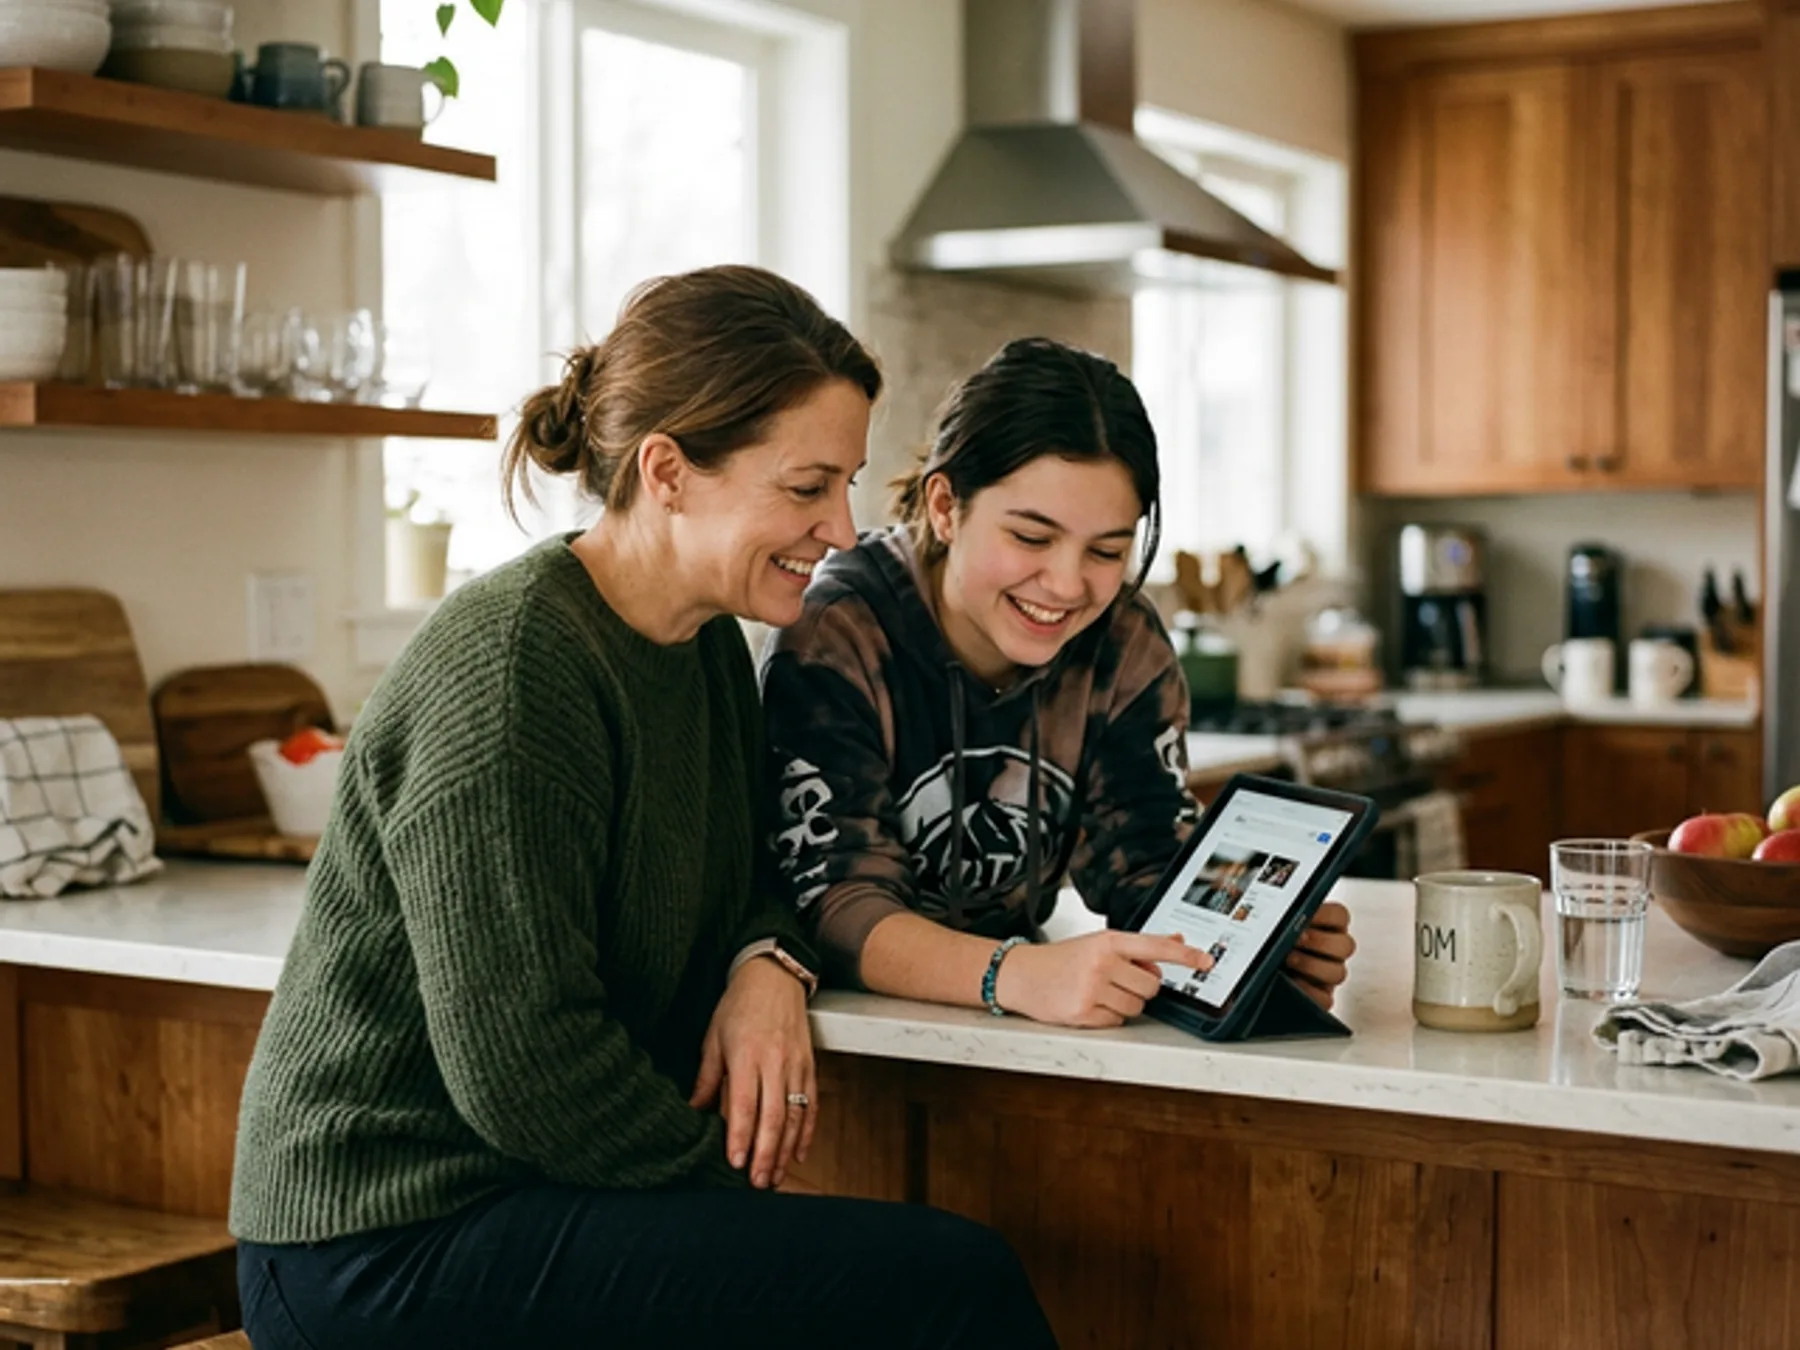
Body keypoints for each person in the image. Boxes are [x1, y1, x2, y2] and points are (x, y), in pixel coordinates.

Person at [229, 266, 1059, 1350]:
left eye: (848, 484)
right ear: (668, 471)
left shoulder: (707, 643)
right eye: (807, 487)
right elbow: (525, 1071)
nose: (843, 528)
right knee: (946, 1285)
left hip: (527, 1197)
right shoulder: (517, 671)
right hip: (378, 1240)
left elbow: (763, 861)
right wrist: (730, 1196)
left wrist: (770, 962)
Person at [761, 337, 1355, 1028]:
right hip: (854, 1039)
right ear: (947, 506)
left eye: (1106, 550)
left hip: (1019, 1023)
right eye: (1032, 538)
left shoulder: (1123, 643)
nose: (1069, 585)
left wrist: (1248, 944)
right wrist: (1014, 972)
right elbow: (835, 903)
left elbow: (1147, 866)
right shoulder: (840, 628)